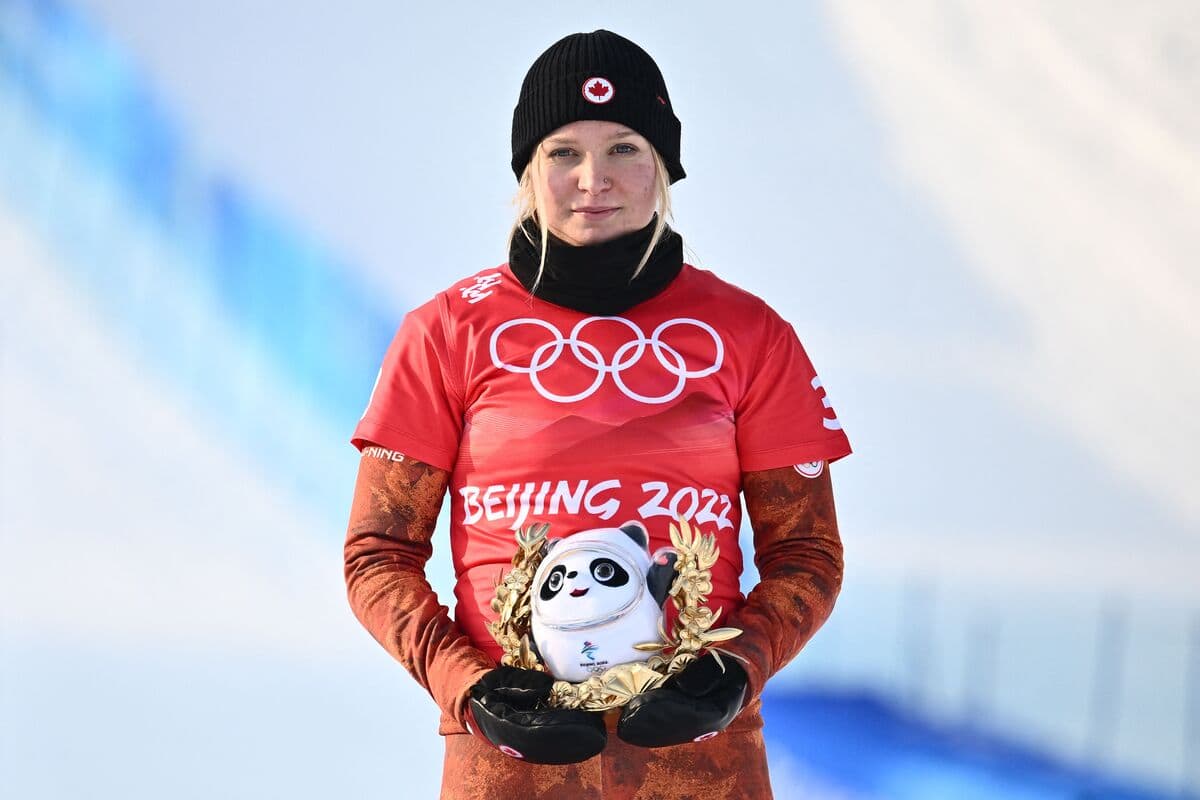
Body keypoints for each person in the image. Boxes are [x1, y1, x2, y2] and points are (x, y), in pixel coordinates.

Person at [344, 29, 850, 799]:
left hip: (699, 765)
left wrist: (733, 670)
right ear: (527, 169)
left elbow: (807, 552)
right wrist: (473, 689)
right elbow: (377, 554)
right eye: (562, 152)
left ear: (664, 166)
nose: (593, 179)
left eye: (624, 149)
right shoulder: (447, 332)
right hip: (508, 768)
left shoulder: (749, 334)